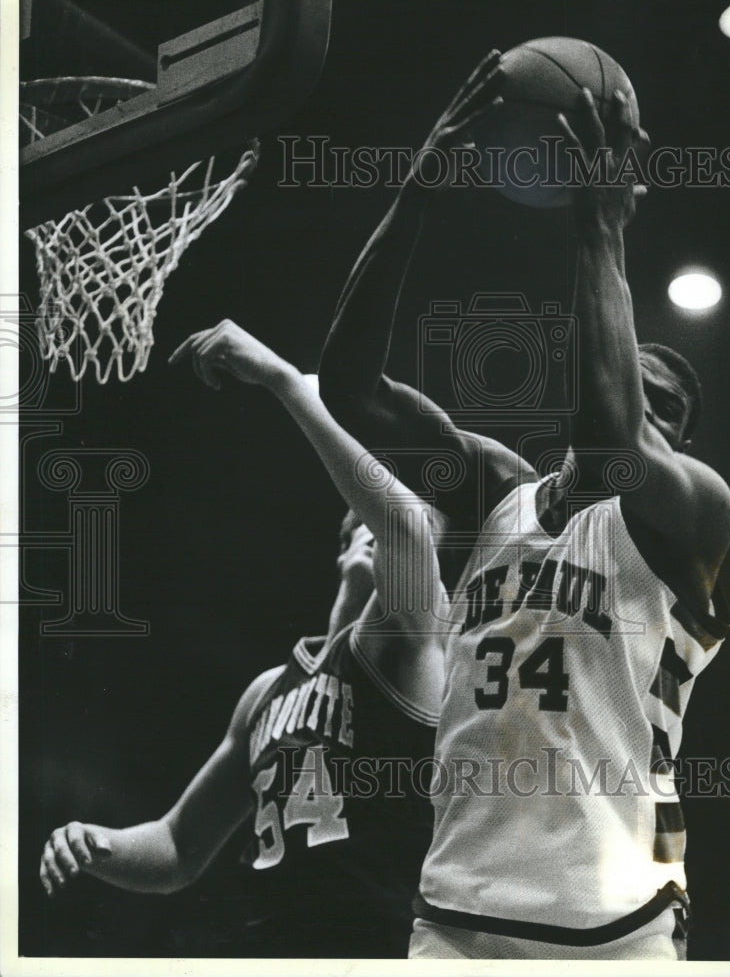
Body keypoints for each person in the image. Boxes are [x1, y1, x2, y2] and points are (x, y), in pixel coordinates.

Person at [318, 53, 730, 960]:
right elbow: (349, 388)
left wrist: (603, 225)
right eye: (636, 388)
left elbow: (617, 436)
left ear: (683, 446)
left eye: (666, 408)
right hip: (457, 921)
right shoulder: (495, 495)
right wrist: (417, 189)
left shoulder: (693, 514)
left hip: (617, 925)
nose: (643, 412)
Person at [39, 321, 448, 958]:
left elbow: (405, 530)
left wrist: (284, 379)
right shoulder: (267, 692)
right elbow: (177, 846)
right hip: (272, 946)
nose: (399, 515)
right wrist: (97, 842)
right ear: (344, 537)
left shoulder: (409, 642)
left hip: (381, 945)